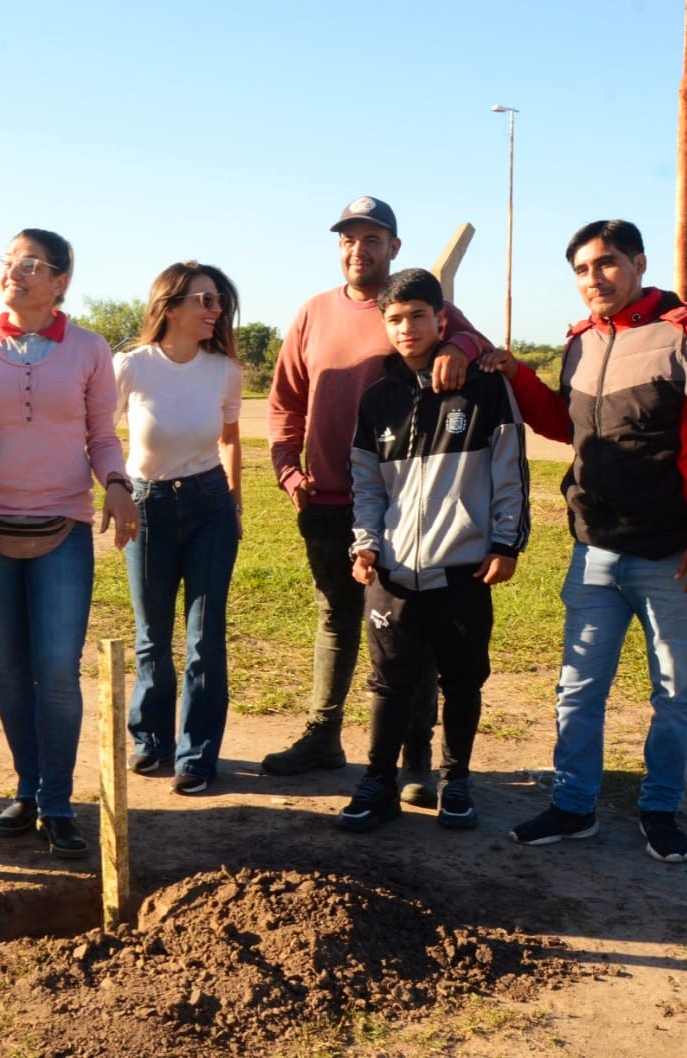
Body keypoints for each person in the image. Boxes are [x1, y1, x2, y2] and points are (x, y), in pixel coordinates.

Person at [482, 220, 687, 863]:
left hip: (673, 555)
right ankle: (574, 807)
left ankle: (660, 808)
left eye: (605, 264)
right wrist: (519, 375)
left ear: (637, 263)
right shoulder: (581, 343)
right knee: (577, 686)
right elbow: (565, 425)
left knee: (673, 691)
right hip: (597, 550)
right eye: (581, 270)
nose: (593, 279)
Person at [264, 195, 493, 808]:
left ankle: (415, 754)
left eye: (371, 238)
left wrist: (459, 350)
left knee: (408, 629)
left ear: (394, 246)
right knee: (336, 617)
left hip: (405, 506)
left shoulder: (409, 303)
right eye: (347, 238)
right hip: (327, 498)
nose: (357, 249)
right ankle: (322, 734)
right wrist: (289, 468)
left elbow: (473, 341)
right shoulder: (312, 313)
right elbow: (285, 400)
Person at [0, 228, 137, 858]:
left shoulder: (89, 350)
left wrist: (117, 483)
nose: (14, 272)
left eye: (30, 265)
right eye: (7, 261)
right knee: (9, 671)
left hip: (63, 526)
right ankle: (26, 788)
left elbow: (101, 434)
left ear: (59, 282)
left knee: (56, 669)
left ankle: (56, 800)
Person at [336, 268, 529, 832]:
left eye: (418, 316)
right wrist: (366, 545)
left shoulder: (485, 389)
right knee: (389, 681)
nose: (406, 328)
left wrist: (505, 542)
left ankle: (457, 779)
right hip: (392, 572)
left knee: (463, 680)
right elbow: (366, 483)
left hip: (464, 568)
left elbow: (509, 473)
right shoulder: (377, 399)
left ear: (440, 319)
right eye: (394, 319)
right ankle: (378, 781)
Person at [114, 261, 244, 795]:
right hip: (148, 507)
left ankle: (197, 755)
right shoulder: (131, 366)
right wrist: (115, 489)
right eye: (205, 301)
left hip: (211, 504)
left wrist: (234, 503)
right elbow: (99, 432)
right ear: (170, 305)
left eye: (218, 302)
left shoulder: (225, 370)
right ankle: (151, 741)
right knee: (152, 638)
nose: (215, 311)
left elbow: (231, 438)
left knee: (205, 640)